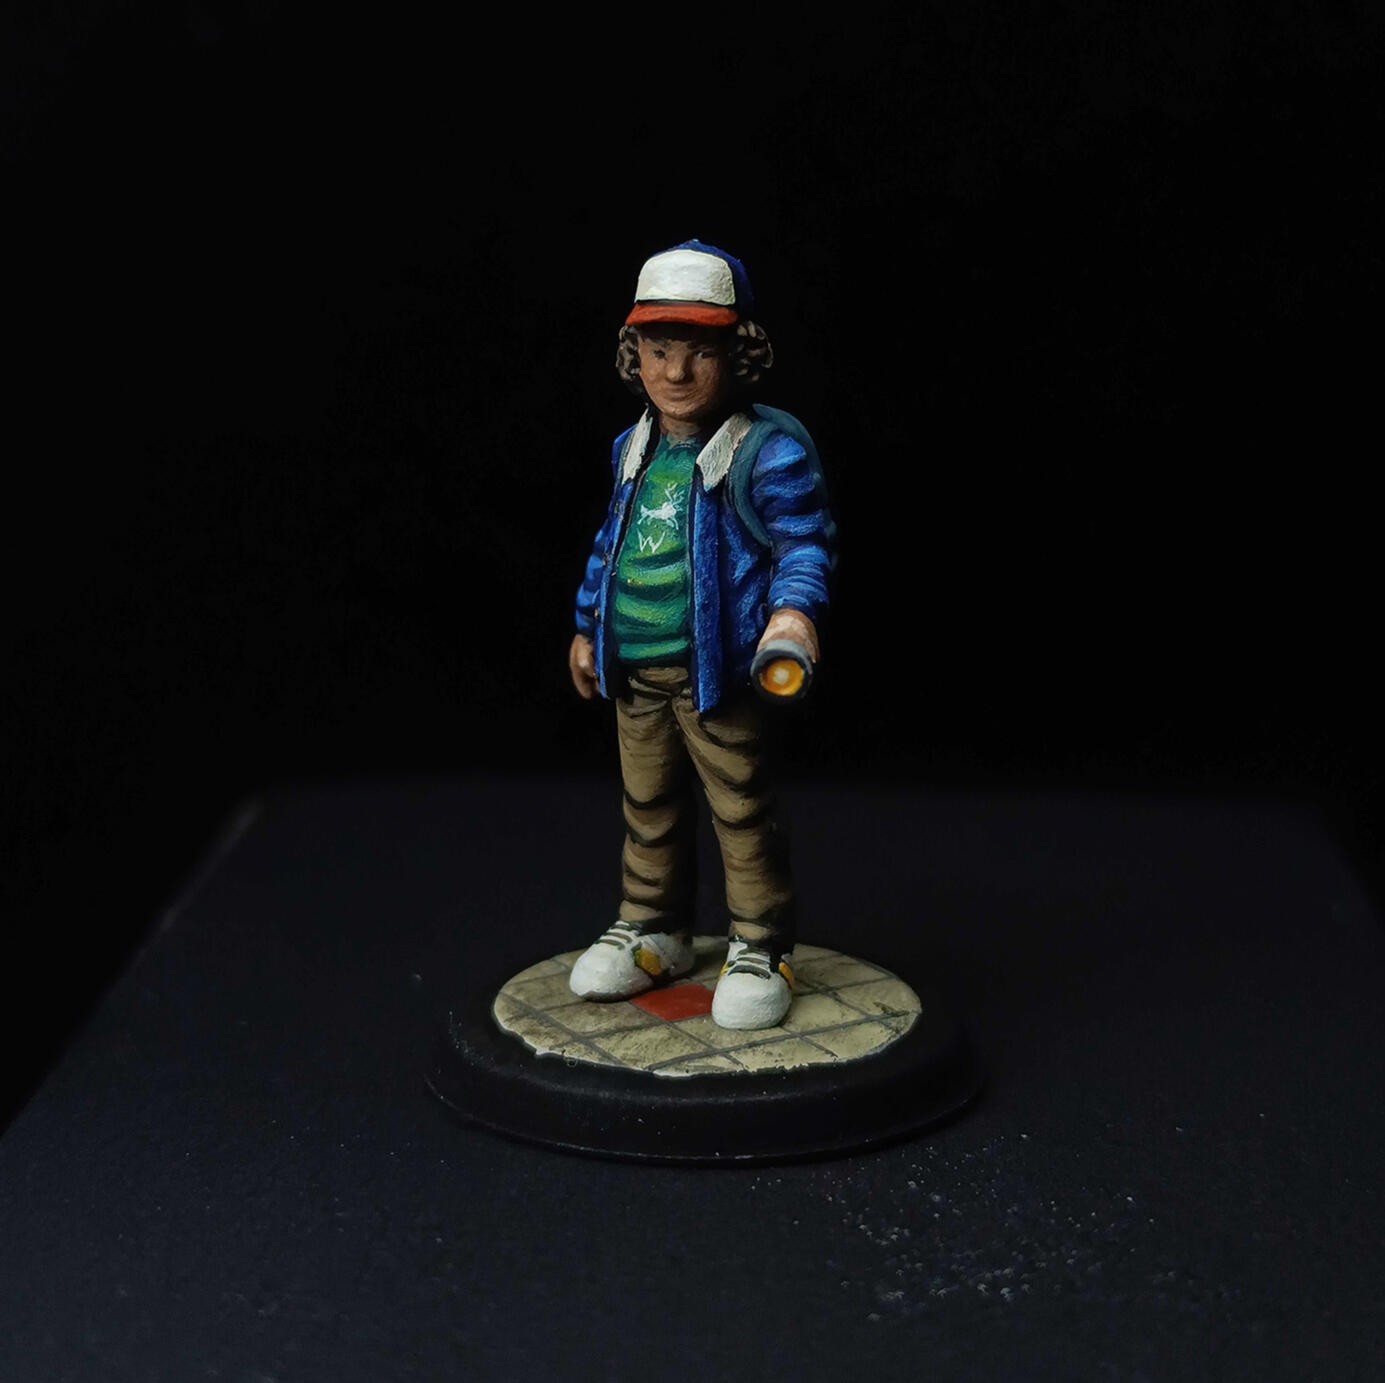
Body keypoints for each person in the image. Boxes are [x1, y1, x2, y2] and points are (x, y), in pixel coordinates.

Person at [567, 240, 835, 1030]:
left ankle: (760, 944)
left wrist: (791, 616)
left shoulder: (764, 452)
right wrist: (587, 624)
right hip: (634, 671)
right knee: (646, 803)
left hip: (717, 672)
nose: (676, 372)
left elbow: (803, 543)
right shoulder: (632, 449)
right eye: (658, 351)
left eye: (699, 352)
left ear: (737, 354)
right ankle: (654, 928)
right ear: (634, 356)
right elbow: (610, 546)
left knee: (741, 809)